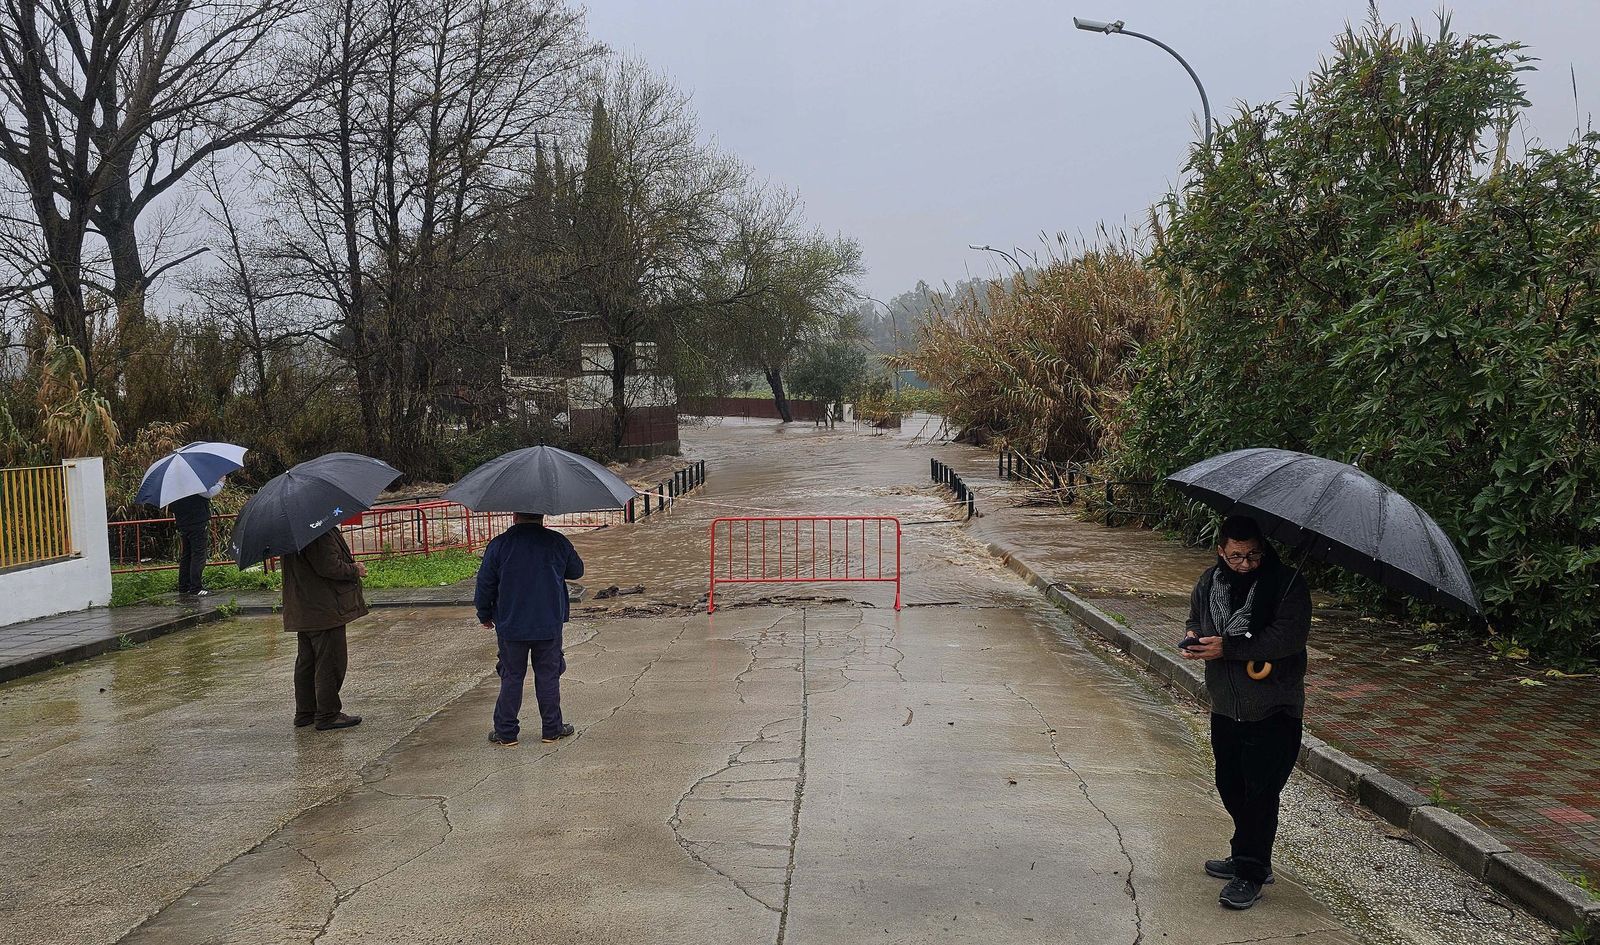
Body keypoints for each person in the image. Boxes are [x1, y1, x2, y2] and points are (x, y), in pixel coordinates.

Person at [1181, 514, 1312, 911]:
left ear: (1263, 549)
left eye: (1253, 555)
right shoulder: (1209, 582)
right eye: (1236, 556)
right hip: (1226, 704)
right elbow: (1195, 618)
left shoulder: (1286, 584)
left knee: (1260, 793)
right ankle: (1246, 853)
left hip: (1274, 708)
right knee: (1230, 784)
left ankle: (1251, 872)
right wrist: (1192, 636)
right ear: (1221, 550)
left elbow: (1288, 637)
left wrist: (1230, 647)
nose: (1245, 564)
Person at [475, 512, 584, 748]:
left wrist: (484, 613)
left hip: (511, 624)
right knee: (548, 675)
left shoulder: (499, 545)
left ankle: (506, 733)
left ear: (515, 516)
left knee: (512, 676)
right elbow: (576, 571)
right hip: (548, 623)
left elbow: (485, 583)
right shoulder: (557, 541)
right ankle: (552, 729)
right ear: (542, 516)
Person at [282, 527, 368, 731]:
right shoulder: (317, 530)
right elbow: (329, 566)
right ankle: (328, 714)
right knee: (331, 661)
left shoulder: (292, 532)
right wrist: (355, 569)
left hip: (305, 606)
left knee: (308, 662)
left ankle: (306, 712)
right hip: (324, 608)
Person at [168, 477, 225, 598]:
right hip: (197, 522)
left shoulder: (174, 486)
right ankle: (196, 588)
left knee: (186, 555)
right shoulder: (192, 481)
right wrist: (221, 483)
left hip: (183, 523)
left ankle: (184, 587)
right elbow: (208, 493)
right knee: (198, 555)